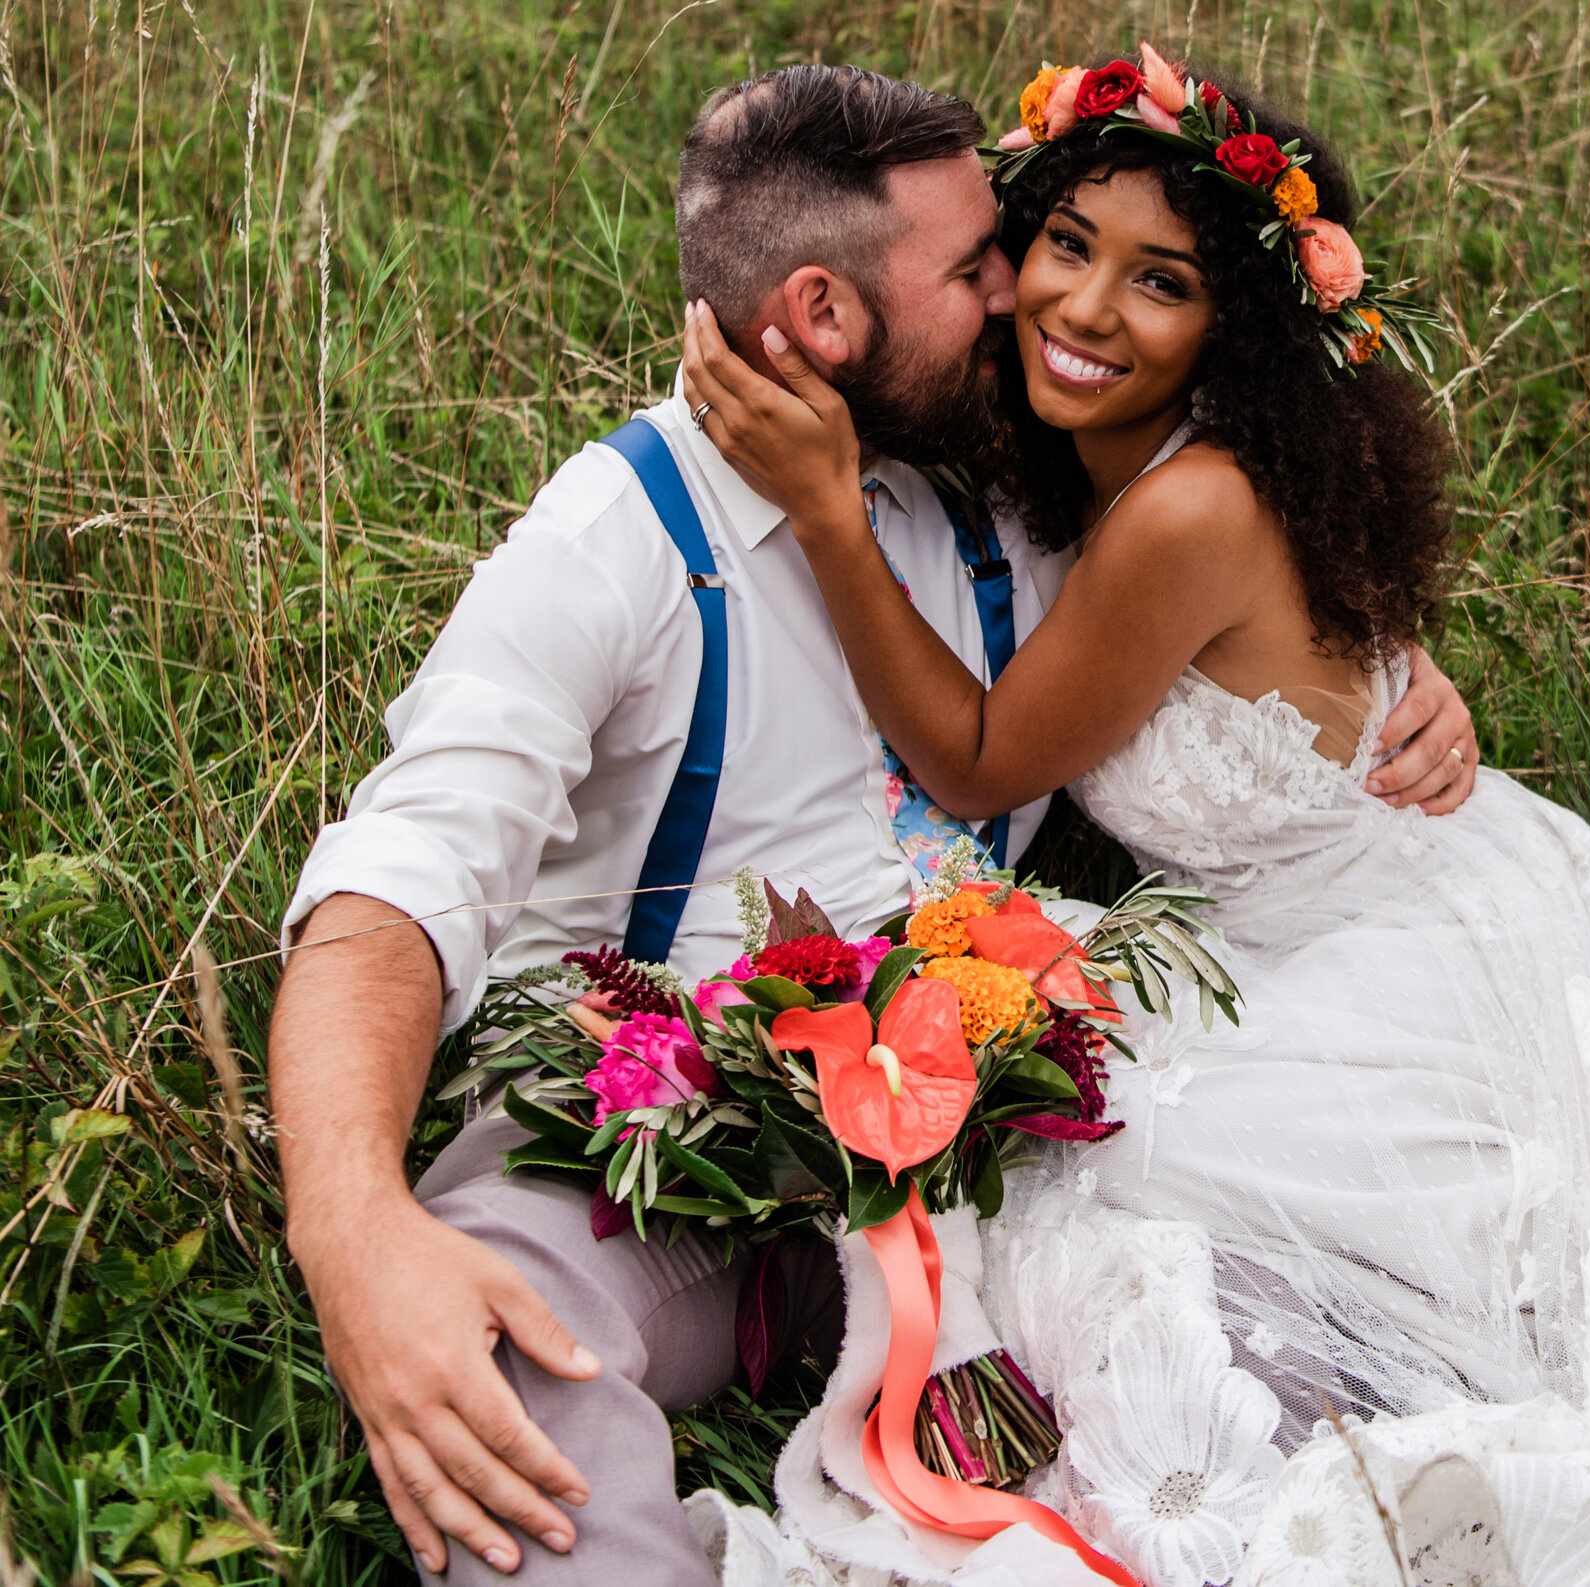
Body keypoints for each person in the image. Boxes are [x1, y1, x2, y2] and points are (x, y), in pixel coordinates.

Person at [681, 51, 1590, 1586]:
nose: (1086, 308)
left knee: (1078, 1178)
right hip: (1408, 883)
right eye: (1065, 244)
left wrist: (829, 518)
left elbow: (975, 763)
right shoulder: (1130, 463)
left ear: (1233, 335)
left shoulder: (1184, 508)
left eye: (1161, 283)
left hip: (1407, 944)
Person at [265, 64, 1482, 1587]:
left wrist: (1382, 686)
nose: (1021, 297)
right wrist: (352, 1231)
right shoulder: (616, 539)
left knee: (1303, 1356)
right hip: (679, 1144)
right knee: (502, 1313)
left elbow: (1211, 619)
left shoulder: (1003, 500)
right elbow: (394, 887)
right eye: (980, 267)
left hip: (1011, 1144)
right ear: (829, 319)